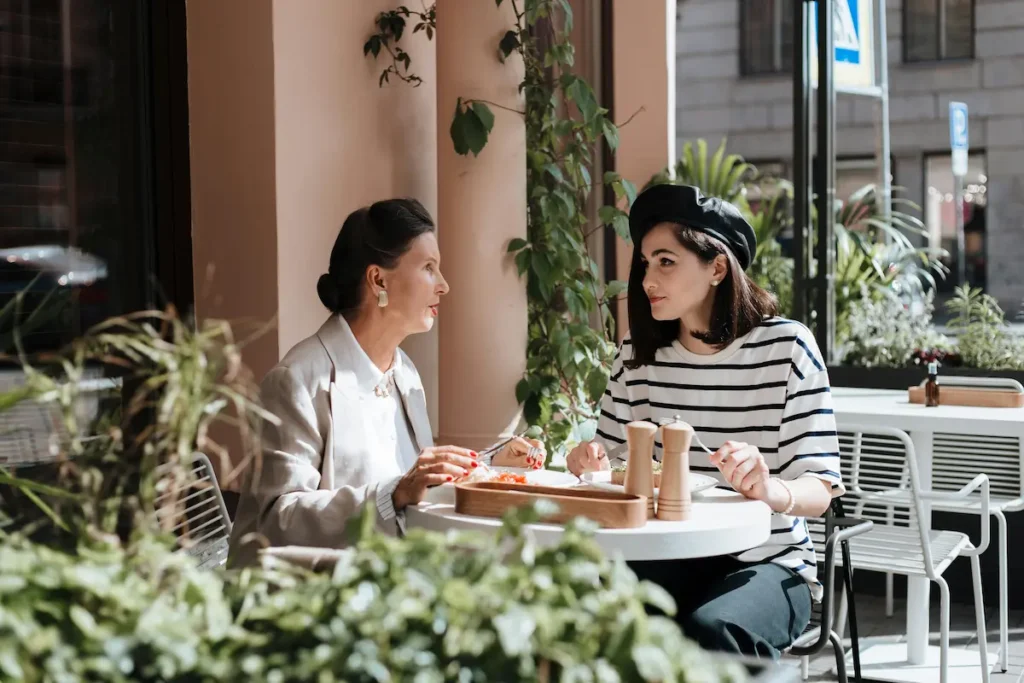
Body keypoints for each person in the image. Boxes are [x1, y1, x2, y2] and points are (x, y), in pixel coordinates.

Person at [566, 184, 845, 659]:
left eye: (666, 261)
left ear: (717, 267)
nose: (649, 278)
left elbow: (820, 490)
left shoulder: (786, 349)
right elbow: (607, 460)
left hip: (770, 561)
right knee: (593, 617)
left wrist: (768, 487)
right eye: (646, 263)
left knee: (714, 631)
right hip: (667, 551)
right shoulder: (639, 354)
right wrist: (586, 460)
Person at [230, 198, 543, 560]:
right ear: (378, 279)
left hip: (397, 582)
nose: (443, 285)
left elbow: (415, 490)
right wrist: (392, 494)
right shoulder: (297, 382)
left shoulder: (404, 372)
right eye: (429, 267)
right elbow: (274, 523)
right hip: (317, 600)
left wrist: (490, 463)